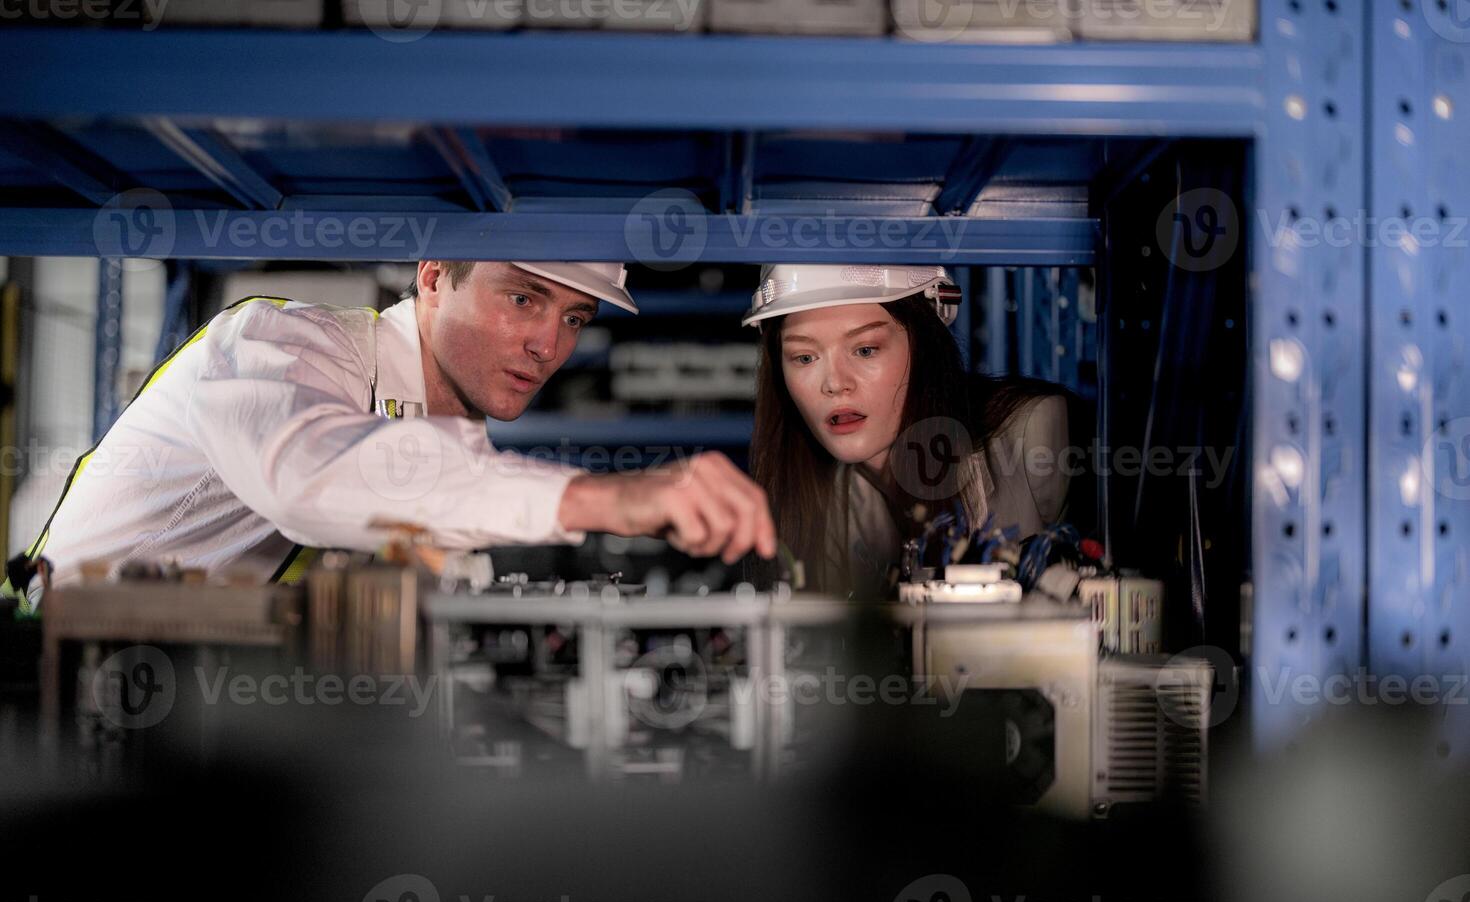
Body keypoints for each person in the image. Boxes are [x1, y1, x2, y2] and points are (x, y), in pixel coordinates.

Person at [5, 260, 775, 606]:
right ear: (435, 274)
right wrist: (609, 498)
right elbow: (310, 479)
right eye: (524, 300)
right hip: (56, 698)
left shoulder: (451, 443)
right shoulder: (280, 343)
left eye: (575, 318)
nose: (550, 345)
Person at [744, 264, 1074, 595]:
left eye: (865, 350)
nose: (834, 383)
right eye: (804, 358)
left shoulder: (1035, 436)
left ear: (924, 345)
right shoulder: (818, 503)